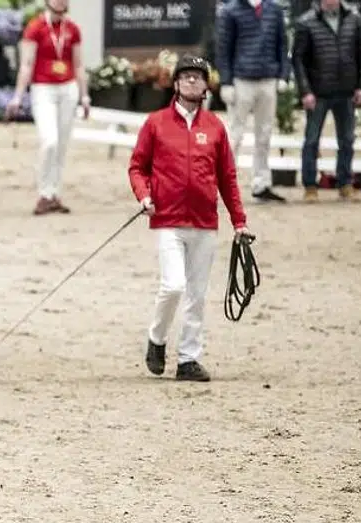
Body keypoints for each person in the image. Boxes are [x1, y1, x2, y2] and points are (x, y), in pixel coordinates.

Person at [127, 54, 251, 384]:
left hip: (204, 222)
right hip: (168, 219)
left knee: (197, 294)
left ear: (206, 85)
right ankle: (157, 338)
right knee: (173, 286)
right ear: (177, 83)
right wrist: (144, 195)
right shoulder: (155, 123)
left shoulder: (215, 128)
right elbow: (137, 166)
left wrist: (239, 221)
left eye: (198, 77)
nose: (192, 81)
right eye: (186, 77)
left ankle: (188, 358)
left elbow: (227, 177)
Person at [7, 0, 90, 215]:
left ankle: (54, 193)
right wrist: (17, 96)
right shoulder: (35, 28)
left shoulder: (72, 29)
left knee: (62, 145)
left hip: (68, 88)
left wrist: (85, 95)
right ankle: (44, 193)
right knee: (49, 141)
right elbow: (26, 65)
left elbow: (79, 64)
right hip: (43, 88)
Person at [291, 0, 361, 201]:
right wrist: (305, 91)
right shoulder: (305, 22)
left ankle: (345, 183)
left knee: (347, 140)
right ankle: (310, 186)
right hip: (317, 93)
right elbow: (298, 60)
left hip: (346, 91)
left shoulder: (355, 21)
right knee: (311, 140)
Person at [216, 0, 291, 203]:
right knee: (235, 136)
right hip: (242, 80)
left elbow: (282, 44)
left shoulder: (274, 10)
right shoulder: (230, 11)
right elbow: (224, 49)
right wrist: (226, 82)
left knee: (264, 135)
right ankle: (223, 186)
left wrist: (284, 75)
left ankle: (261, 184)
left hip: (268, 79)